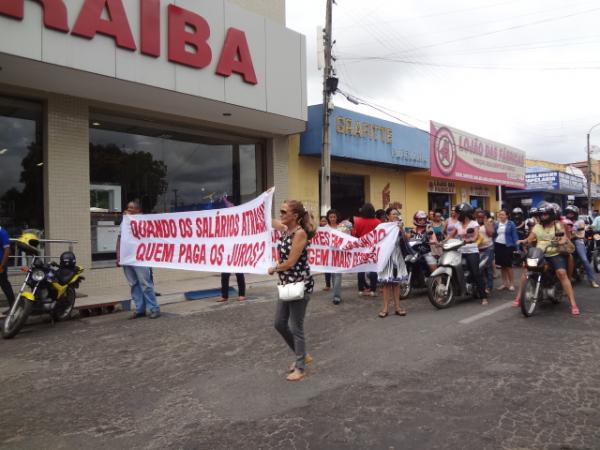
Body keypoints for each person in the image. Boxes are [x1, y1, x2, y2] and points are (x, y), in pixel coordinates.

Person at [269, 200, 315, 382]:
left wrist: (274, 268)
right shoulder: (286, 230)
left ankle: (300, 367)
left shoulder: (300, 234)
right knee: (279, 323)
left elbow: (290, 262)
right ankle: (301, 355)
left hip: (300, 285)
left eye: (284, 211)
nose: (281, 214)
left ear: (294, 216)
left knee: (296, 326)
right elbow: (269, 220)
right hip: (286, 284)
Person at [515, 203, 580, 315]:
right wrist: (523, 241)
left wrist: (561, 241)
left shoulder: (558, 225)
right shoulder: (537, 226)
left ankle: (573, 304)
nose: (543, 216)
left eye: (545, 214)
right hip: (539, 253)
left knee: (561, 273)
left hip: (555, 253)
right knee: (526, 271)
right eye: (541, 214)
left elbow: (564, 237)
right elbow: (530, 238)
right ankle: (518, 297)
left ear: (551, 214)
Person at [116, 200, 161, 319]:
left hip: (141, 257)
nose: (128, 210)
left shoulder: (144, 221)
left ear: (138, 210)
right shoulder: (124, 222)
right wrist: (118, 256)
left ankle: (154, 308)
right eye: (128, 207)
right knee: (134, 284)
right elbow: (119, 239)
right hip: (127, 258)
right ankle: (140, 309)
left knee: (145, 284)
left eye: (131, 208)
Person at [448, 203, 488, 305]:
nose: (455, 215)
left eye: (457, 213)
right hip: (460, 251)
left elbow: (475, 237)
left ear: (463, 214)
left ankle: (483, 296)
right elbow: (450, 235)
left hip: (471, 251)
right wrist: (441, 242)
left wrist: (469, 240)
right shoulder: (457, 224)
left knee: (475, 273)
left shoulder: (474, 224)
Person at [377, 207, 408, 317]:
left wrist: (401, 230)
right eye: (393, 213)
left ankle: (398, 307)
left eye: (397, 213)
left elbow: (405, 240)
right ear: (388, 216)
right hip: (386, 257)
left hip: (397, 256)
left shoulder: (399, 226)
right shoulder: (381, 227)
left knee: (396, 283)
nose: (395, 215)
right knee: (386, 284)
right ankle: (385, 308)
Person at [566, 205, 600, 288]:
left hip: (578, 241)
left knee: (584, 260)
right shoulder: (565, 221)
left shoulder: (580, 222)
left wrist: (573, 235)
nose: (569, 215)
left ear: (575, 214)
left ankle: (592, 280)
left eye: (571, 213)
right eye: (568, 213)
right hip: (567, 241)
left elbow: (580, 234)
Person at [353, 203, 381, 297]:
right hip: (373, 247)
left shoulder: (358, 221)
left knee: (361, 269)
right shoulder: (377, 222)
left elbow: (355, 234)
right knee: (373, 268)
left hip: (361, 247)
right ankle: (373, 290)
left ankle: (361, 289)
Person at [494, 209, 519, 292]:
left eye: (502, 214)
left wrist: (517, 248)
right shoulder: (497, 224)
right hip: (498, 245)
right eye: (499, 214)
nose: (500, 216)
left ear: (507, 215)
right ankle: (504, 283)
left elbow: (515, 236)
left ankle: (511, 284)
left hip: (508, 246)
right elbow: (494, 234)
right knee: (502, 266)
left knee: (508, 266)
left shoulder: (511, 224)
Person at [325, 209, 347, 305]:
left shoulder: (341, 227)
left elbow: (346, 239)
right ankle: (336, 293)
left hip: (339, 254)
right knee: (333, 275)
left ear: (337, 217)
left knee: (337, 275)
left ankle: (336, 297)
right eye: (331, 217)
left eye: (334, 217)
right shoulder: (324, 228)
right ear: (328, 218)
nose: (333, 219)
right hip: (329, 255)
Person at [476, 210, 495, 294]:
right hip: (477, 248)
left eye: (482, 217)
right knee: (480, 269)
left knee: (488, 268)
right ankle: (481, 286)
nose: (480, 218)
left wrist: (485, 221)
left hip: (488, 248)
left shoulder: (488, 223)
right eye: (478, 217)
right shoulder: (475, 224)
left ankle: (489, 286)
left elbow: (490, 234)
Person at [0, 224, 15, 313]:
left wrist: (2, 265)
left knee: (4, 284)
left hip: (0, 263)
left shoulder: (2, 232)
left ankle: (13, 307)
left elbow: (7, 250)